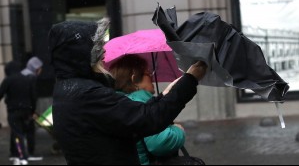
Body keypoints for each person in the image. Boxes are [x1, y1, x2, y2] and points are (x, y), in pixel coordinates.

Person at [48, 18, 207, 165]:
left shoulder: (68, 89)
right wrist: (190, 79)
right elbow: (148, 120)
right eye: (96, 48)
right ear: (80, 53)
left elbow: (136, 116)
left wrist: (165, 94)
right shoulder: (86, 94)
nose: (103, 52)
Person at [109, 55, 186, 165]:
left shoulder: (115, 104)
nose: (152, 78)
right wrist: (178, 130)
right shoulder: (139, 104)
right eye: (148, 74)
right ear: (134, 78)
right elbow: (159, 143)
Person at [0, 57, 44, 165]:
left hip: (14, 111)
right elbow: (33, 96)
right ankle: (18, 154)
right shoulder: (26, 78)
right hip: (26, 111)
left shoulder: (8, 80)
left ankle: (21, 156)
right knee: (22, 132)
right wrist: (32, 110)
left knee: (17, 134)